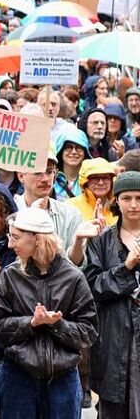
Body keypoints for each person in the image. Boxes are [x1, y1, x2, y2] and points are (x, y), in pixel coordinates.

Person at [0, 207, 98, 418]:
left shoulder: (73, 277)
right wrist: (31, 323)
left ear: (36, 239)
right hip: (18, 376)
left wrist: (58, 324)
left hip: (62, 379)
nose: (10, 244)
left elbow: (89, 331)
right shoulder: (10, 276)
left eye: (16, 237)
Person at [84, 169, 140, 418]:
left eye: (139, 198)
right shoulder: (103, 241)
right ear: (116, 200)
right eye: (127, 198)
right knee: (112, 405)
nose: (134, 205)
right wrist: (125, 267)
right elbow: (92, 286)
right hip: (112, 335)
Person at [15, 153, 95, 265]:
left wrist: (78, 240)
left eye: (49, 172)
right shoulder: (11, 210)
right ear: (21, 176)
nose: (45, 179)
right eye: (38, 172)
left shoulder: (70, 213)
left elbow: (77, 265)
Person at [67, 158, 118, 225]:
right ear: (85, 181)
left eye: (105, 178)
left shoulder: (119, 206)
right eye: (95, 178)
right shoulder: (70, 206)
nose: (100, 183)